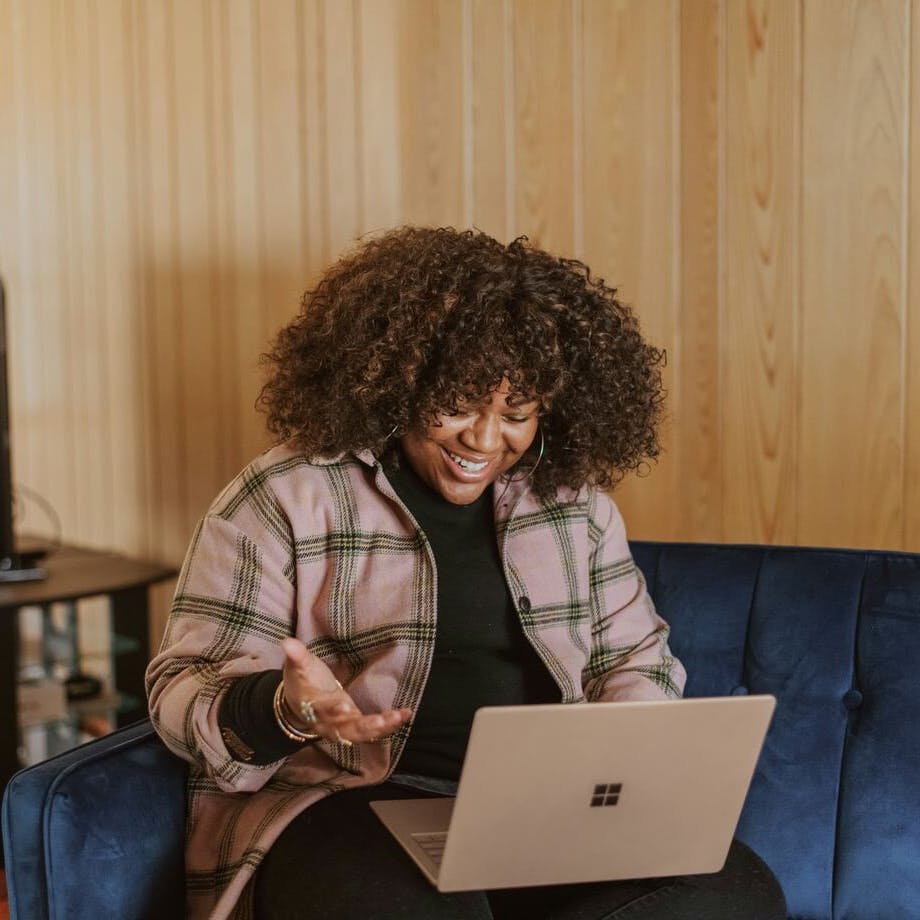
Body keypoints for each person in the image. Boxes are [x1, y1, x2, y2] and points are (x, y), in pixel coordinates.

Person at [146, 226, 786, 920]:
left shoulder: (577, 508)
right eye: (455, 405)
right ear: (398, 382)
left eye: (516, 414)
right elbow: (180, 691)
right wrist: (284, 707)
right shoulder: (286, 496)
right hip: (348, 803)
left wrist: (618, 761)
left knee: (733, 895)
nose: (484, 441)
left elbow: (635, 661)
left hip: (545, 812)